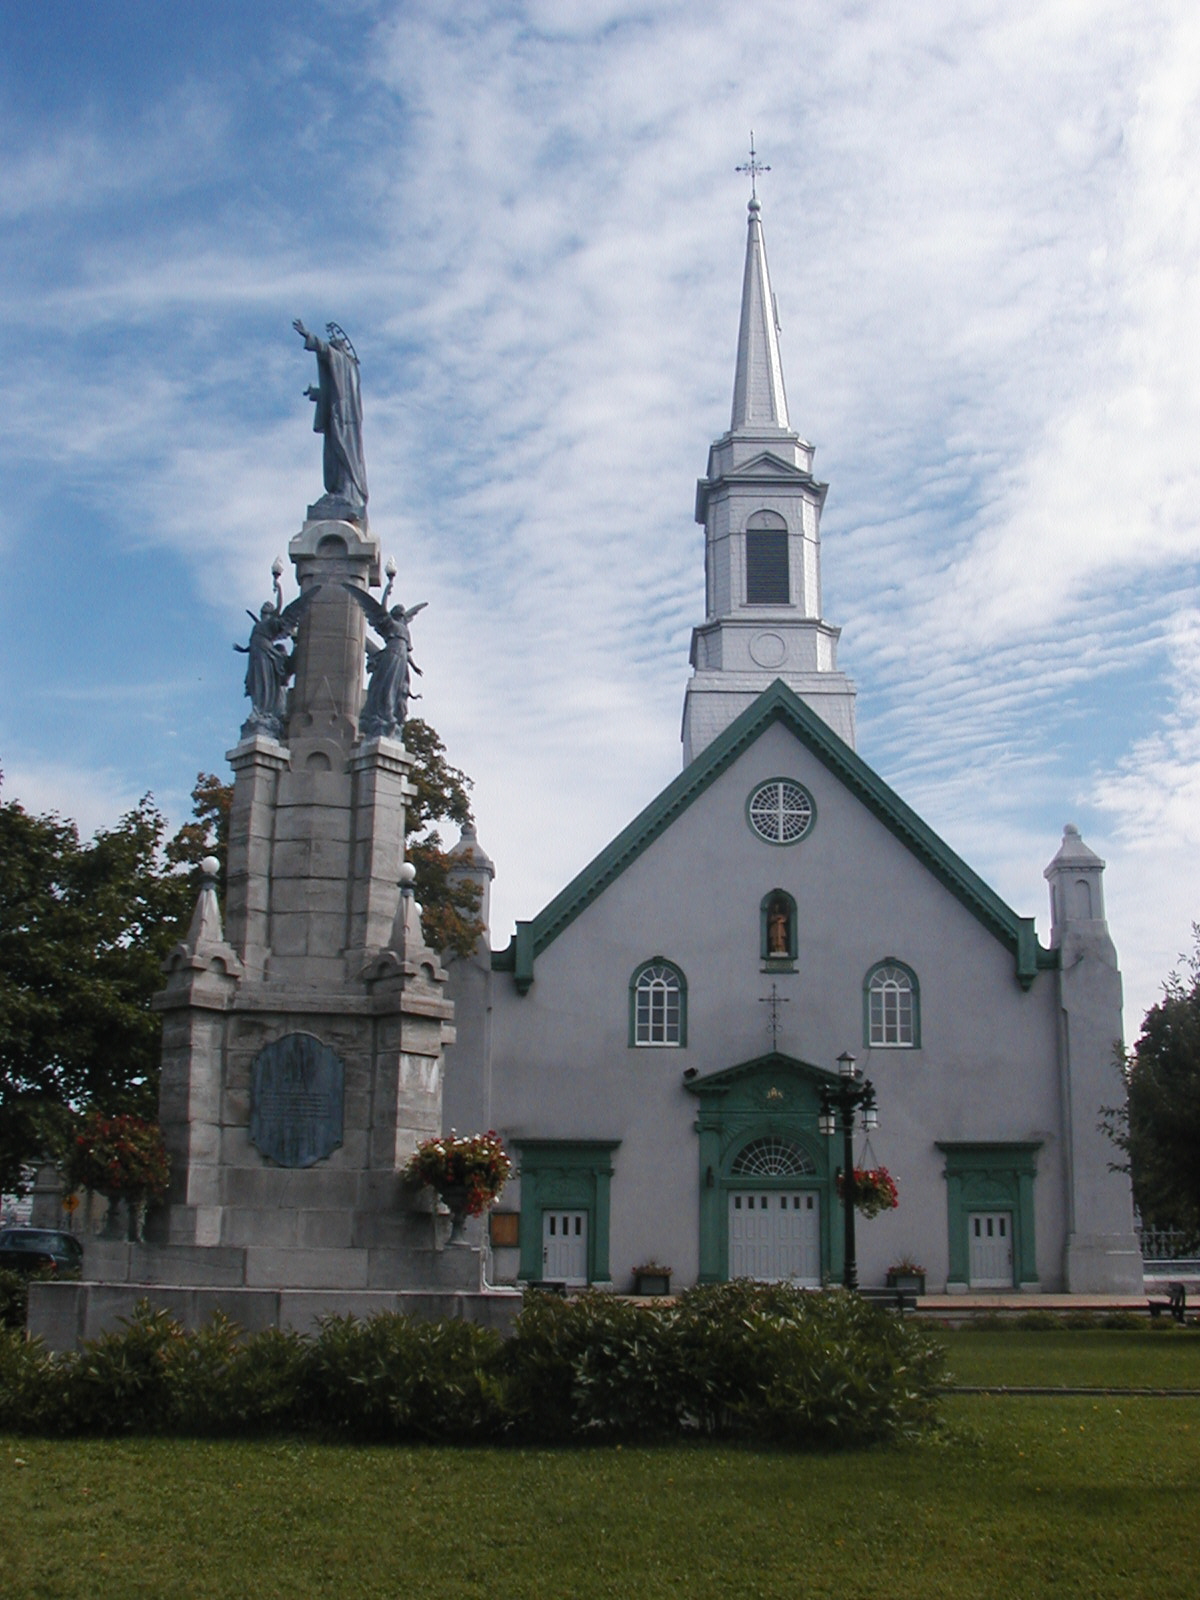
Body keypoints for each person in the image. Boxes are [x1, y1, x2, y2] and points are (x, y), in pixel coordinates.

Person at [293, 318, 368, 509]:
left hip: (344, 422)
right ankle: (339, 491)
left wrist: (308, 335)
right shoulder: (349, 374)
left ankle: (346, 493)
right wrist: (317, 394)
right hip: (340, 420)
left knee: (343, 455)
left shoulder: (344, 364)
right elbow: (335, 393)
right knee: (335, 455)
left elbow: (325, 351)